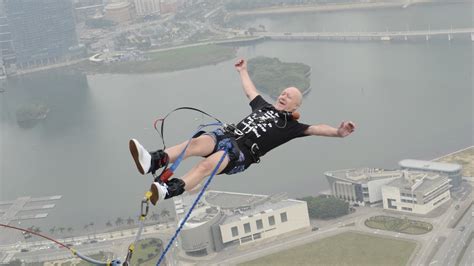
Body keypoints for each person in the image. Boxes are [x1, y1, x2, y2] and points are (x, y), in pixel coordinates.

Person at [129, 59, 355, 205]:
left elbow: (317, 129)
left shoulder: (293, 127)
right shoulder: (263, 106)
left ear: (295, 106)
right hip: (227, 136)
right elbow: (250, 91)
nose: (283, 96)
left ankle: (168, 190)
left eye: (289, 96)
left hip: (241, 153)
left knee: (206, 166)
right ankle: (153, 161)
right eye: (283, 92)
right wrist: (243, 70)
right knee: (194, 144)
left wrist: (337, 132)